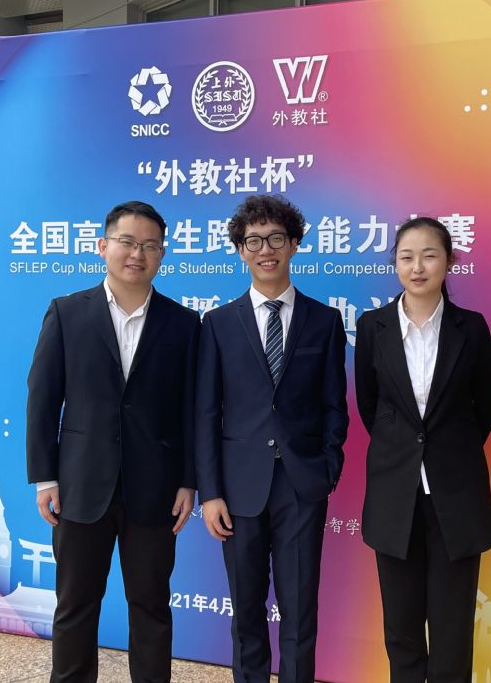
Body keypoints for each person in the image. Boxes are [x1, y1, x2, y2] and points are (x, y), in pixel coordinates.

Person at [26, 201, 200, 683]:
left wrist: (188, 480)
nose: (137, 254)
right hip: (80, 486)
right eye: (127, 242)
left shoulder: (184, 323)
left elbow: (191, 410)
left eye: (149, 246)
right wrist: (45, 477)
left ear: (162, 254)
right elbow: (42, 399)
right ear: (103, 246)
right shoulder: (66, 313)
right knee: (76, 604)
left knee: (151, 606)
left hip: (156, 490)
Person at [195, 194, 348, 683]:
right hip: (238, 489)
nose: (266, 250)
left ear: (294, 244)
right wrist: (210, 493)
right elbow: (206, 413)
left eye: (276, 238)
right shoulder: (218, 323)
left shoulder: (324, 321)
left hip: (302, 484)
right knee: (246, 610)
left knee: (300, 610)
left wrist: (328, 469)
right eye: (254, 241)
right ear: (241, 250)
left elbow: (334, 405)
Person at [354, 216, 491, 683]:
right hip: (394, 494)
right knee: (401, 628)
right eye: (406, 257)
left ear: (449, 262)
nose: (417, 267)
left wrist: (445, 453)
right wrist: (407, 451)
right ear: (395, 264)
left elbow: (487, 407)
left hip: (455, 496)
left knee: (452, 627)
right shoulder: (372, 326)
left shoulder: (471, 328)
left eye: (429, 255)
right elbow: (371, 406)